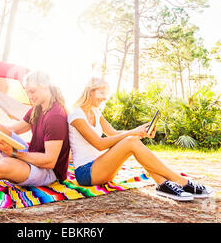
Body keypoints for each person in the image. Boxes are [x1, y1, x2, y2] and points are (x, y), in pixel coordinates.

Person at [68, 77, 213, 201]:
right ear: (90, 91)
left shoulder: (95, 111)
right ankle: (182, 182)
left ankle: (163, 184)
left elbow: (113, 133)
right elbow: (100, 144)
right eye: (101, 93)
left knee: (132, 141)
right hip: (86, 173)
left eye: (106, 94)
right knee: (131, 140)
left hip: (103, 169)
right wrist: (133, 132)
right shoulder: (76, 114)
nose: (105, 98)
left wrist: (140, 131)